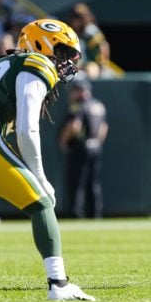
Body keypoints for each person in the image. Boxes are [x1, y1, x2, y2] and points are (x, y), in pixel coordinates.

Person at [0, 18, 95, 301]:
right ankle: (58, 284)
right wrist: (40, 176)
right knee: (40, 202)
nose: (68, 62)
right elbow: (26, 127)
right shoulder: (35, 63)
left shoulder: (1, 65)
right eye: (65, 52)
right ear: (41, 43)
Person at [58, 79, 108, 219]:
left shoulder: (78, 106)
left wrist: (63, 141)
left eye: (73, 91)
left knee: (76, 181)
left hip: (81, 147)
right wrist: (97, 142)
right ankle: (95, 213)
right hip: (95, 146)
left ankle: (76, 212)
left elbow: (74, 125)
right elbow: (104, 128)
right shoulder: (98, 105)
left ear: (80, 91)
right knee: (93, 182)